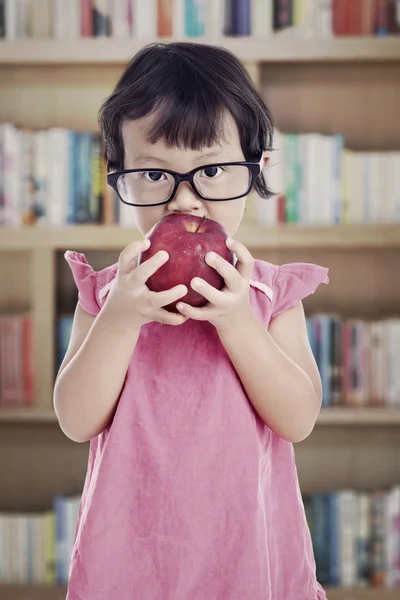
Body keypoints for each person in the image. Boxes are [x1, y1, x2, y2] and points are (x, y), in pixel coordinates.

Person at [54, 42, 329, 600]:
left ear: (255, 168)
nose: (186, 202)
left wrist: (236, 323)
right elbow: (77, 418)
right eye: (154, 174)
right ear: (117, 175)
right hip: (130, 563)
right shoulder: (107, 295)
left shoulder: (270, 295)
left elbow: (297, 418)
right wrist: (120, 319)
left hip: (247, 559)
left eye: (212, 170)